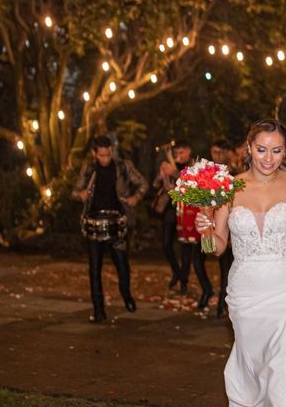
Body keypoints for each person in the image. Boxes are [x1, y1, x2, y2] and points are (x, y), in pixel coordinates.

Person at [193, 119, 286, 407]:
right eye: (262, 149)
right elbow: (219, 246)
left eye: (277, 150)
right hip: (247, 296)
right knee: (257, 378)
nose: (268, 158)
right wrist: (206, 231)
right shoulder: (230, 188)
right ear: (249, 149)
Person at [73, 135, 148, 323]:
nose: (105, 159)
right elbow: (75, 191)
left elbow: (143, 183)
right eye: (101, 155)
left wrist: (136, 198)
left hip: (118, 221)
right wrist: (80, 194)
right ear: (94, 153)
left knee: (122, 265)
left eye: (108, 154)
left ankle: (126, 294)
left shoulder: (123, 166)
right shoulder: (89, 169)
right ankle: (99, 310)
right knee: (94, 269)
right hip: (94, 221)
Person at [173, 141, 213, 307]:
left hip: (198, 222)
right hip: (185, 223)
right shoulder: (177, 167)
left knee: (197, 261)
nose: (178, 156)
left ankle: (207, 290)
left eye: (181, 152)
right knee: (187, 259)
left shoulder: (201, 171)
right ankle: (185, 284)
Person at [211, 138, 235, 317]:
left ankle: (226, 304)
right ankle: (222, 303)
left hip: (235, 228)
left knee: (232, 270)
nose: (216, 157)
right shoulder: (212, 174)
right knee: (224, 268)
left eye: (220, 153)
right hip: (218, 226)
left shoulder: (236, 174)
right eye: (214, 153)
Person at [153, 147, 181, 287]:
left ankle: (183, 279)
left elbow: (190, 182)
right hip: (169, 209)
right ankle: (177, 271)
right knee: (166, 243)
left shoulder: (189, 165)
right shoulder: (166, 167)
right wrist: (161, 176)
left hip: (184, 209)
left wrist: (174, 172)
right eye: (175, 153)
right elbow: (155, 185)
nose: (177, 155)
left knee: (184, 246)